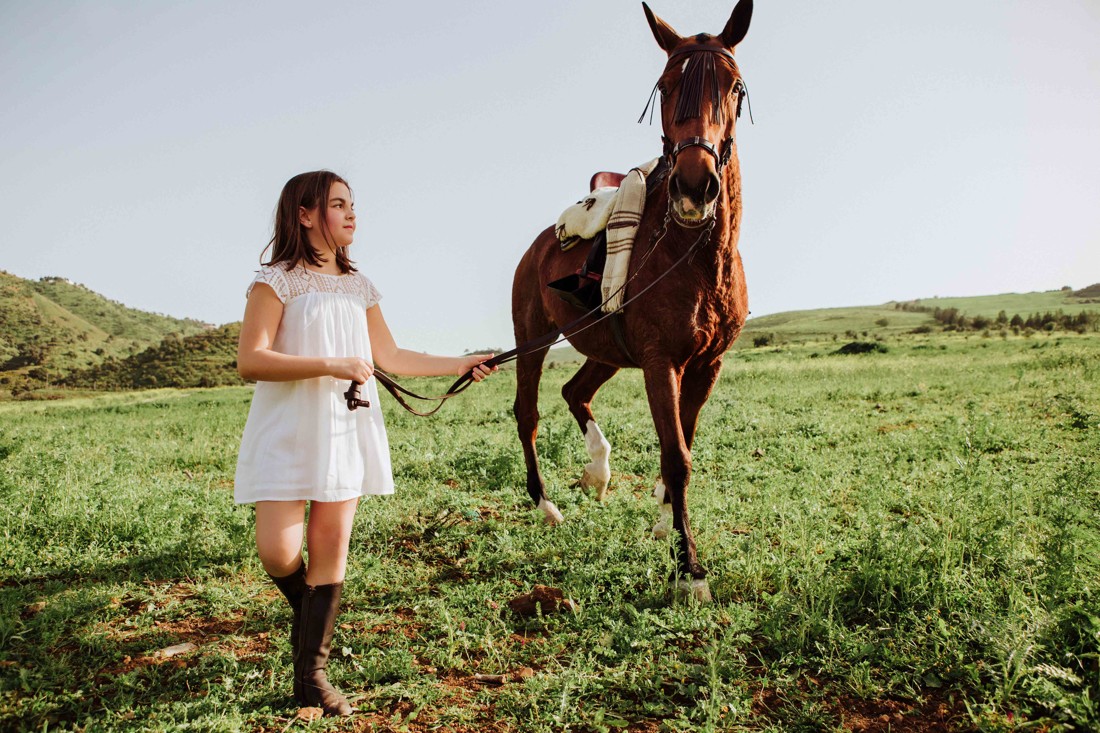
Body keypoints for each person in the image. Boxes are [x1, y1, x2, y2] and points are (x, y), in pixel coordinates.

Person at [234, 170, 496, 716]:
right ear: (304, 215)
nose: (352, 214)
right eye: (337, 205)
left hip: (345, 428)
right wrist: (332, 364)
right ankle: (311, 616)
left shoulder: (360, 286)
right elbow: (250, 360)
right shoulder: (275, 281)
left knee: (330, 549)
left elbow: (392, 358)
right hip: (286, 429)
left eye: (352, 204)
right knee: (278, 552)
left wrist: (462, 361)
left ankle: (312, 676)